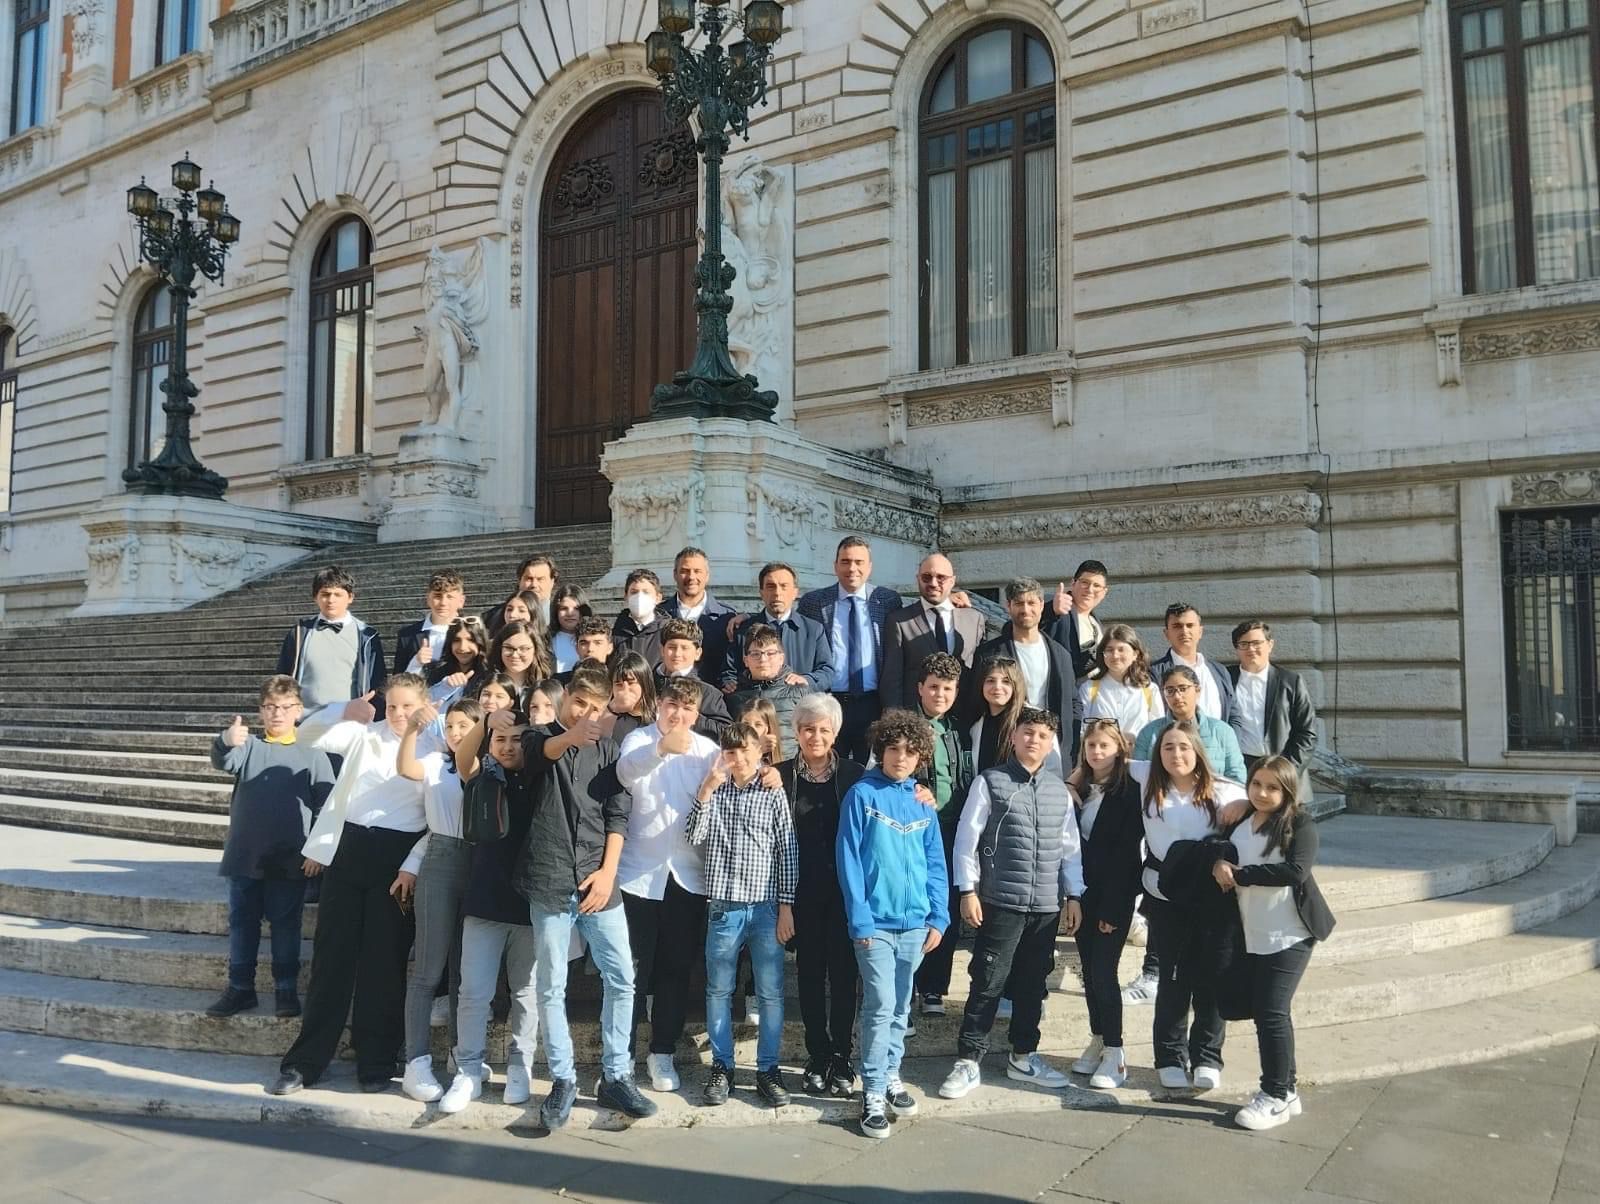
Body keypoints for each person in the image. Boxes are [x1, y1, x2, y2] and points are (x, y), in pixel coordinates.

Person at [267, 674, 430, 1096]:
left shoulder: (438, 741)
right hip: (349, 849)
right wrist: (345, 709)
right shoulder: (364, 734)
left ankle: (376, 1060)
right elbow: (305, 733)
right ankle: (305, 1061)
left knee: (385, 961)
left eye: (407, 706)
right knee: (331, 958)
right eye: (392, 706)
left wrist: (413, 863)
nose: (398, 714)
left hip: (399, 859)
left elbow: (443, 815)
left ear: (424, 704)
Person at [507, 668, 656, 1128]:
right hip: (549, 877)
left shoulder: (610, 752)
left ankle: (615, 1076)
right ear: (565, 699)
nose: (589, 714)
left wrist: (609, 874)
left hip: (597, 881)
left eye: (597, 707)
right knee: (552, 985)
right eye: (581, 704)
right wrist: (571, 734)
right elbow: (536, 757)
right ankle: (563, 1079)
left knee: (623, 977)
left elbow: (618, 816)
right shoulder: (539, 738)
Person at [939, 707, 1083, 1100]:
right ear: (1015, 737)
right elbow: (967, 839)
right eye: (1028, 732)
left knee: (1032, 985)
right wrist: (967, 890)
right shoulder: (992, 782)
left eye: (1042, 734)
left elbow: (1070, 849)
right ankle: (968, 1061)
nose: (1034, 740)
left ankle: (1024, 1056)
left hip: (1046, 908)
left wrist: (1074, 895)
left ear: (1051, 742)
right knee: (988, 983)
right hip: (1000, 902)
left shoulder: (1059, 791)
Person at [835, 709, 949, 1139]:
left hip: (916, 923)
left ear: (920, 756)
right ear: (880, 750)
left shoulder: (922, 801)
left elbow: (935, 863)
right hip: (875, 925)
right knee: (880, 1004)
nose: (900, 757)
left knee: (901, 1005)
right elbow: (848, 859)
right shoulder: (861, 796)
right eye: (893, 749)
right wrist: (859, 918)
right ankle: (873, 1091)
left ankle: (892, 1073)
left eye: (909, 751)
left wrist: (939, 914)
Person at [1215, 755, 1335, 1131]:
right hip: (1253, 933)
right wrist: (1218, 861)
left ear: (1287, 791)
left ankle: (1274, 1095)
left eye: (1272, 787)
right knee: (1270, 1012)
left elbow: (1295, 871)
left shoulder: (1300, 824)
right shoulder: (1240, 820)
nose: (1263, 793)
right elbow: (1220, 849)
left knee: (1270, 1012)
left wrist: (1241, 875)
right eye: (1256, 785)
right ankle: (1289, 1090)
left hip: (1291, 933)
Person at [205, 676, 335, 1019]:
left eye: (285, 707)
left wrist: (318, 851)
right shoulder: (248, 748)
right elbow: (223, 761)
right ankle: (240, 987)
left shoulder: (314, 753)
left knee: (286, 924)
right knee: (242, 923)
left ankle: (285, 989)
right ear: (261, 712)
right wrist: (225, 741)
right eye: (270, 707)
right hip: (245, 855)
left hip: (290, 857)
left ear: (299, 711)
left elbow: (328, 806)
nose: (277, 713)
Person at [687, 722, 799, 1108]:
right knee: (718, 990)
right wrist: (705, 791)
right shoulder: (713, 790)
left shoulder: (772, 792)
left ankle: (768, 1069)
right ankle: (723, 1066)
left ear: (760, 752)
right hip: (723, 908)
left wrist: (786, 907)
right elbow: (693, 836)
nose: (738, 759)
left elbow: (787, 850)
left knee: (770, 993)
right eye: (730, 752)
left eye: (745, 751)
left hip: (766, 907)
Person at [617, 677, 720, 1093]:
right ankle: (620, 1055)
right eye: (672, 705)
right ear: (659, 705)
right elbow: (625, 774)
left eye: (687, 709)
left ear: (696, 714)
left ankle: (662, 1052)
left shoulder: (707, 750)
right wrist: (660, 749)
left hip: (688, 876)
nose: (678, 714)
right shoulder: (638, 740)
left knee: (676, 969)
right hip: (638, 874)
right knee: (631, 971)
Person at [1133, 719, 1247, 1092]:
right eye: (1168, 747)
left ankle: (1207, 1057)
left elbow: (1271, 804)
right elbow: (1105, 759)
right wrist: (1074, 780)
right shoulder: (1147, 781)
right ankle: (1169, 1055)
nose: (1176, 754)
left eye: (1183, 746)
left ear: (1197, 750)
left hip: (1213, 900)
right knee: (1173, 978)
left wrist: (1246, 801)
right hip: (1167, 897)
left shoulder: (1225, 792)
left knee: (1211, 978)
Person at [437, 707, 541, 1114]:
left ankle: (520, 1065)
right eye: (502, 740)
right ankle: (468, 1070)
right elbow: (464, 757)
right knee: (473, 992)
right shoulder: (482, 779)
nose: (509, 746)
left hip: (529, 903)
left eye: (517, 739)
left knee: (526, 993)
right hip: (484, 901)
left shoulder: (541, 778)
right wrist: (485, 723)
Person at [777, 694, 866, 1097]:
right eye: (808, 728)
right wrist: (785, 904)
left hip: (846, 895)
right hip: (801, 894)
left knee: (846, 977)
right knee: (810, 976)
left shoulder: (856, 775)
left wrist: (922, 794)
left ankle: (842, 1057)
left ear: (836, 732)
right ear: (796, 732)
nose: (815, 736)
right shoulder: (778, 776)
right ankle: (817, 1055)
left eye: (824, 729)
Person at [396, 697, 482, 1104]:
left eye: (465, 725)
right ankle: (416, 1061)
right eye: (450, 726)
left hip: (481, 864)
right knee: (428, 966)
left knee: (466, 973)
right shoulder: (433, 762)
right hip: (443, 858)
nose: (456, 733)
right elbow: (405, 767)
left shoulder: (490, 765)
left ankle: (461, 1056)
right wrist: (413, 728)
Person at [1067, 718, 1145, 1090]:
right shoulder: (1082, 785)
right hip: (1083, 896)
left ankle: (1116, 1051)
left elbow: (1127, 856)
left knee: (1103, 972)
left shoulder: (1129, 791)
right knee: (1088, 972)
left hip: (1113, 898)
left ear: (1120, 750)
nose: (1097, 752)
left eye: (1104, 746)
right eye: (1091, 746)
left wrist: (1115, 911)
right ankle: (1098, 1038)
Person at [909, 652, 974, 1019]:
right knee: (915, 905)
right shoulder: (904, 726)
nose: (940, 695)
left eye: (947, 689)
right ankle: (913, 982)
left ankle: (935, 987)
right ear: (920, 689)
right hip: (915, 832)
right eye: (933, 687)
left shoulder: (958, 730)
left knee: (944, 906)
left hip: (952, 829)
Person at [797, 536, 903, 762]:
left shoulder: (886, 600)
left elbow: (911, 620)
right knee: (827, 767)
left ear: (870, 567)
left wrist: (951, 602)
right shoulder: (814, 602)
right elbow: (791, 627)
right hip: (829, 703)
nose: (852, 568)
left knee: (874, 769)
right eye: (845, 561)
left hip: (873, 703)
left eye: (859, 562)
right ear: (835, 566)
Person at [966, 577, 1075, 740]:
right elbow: (974, 703)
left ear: (1041, 605)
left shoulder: (1061, 655)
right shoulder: (988, 653)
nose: (1025, 609)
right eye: (1019, 603)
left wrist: (1070, 750)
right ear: (1008, 606)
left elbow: (1072, 703)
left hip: (1050, 747)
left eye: (1031, 603)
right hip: (1003, 745)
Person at [277, 565, 387, 718]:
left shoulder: (367, 636)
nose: (331, 600)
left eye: (338, 594)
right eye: (325, 594)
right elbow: (283, 678)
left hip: (350, 721)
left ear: (350, 597)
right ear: (315, 597)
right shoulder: (300, 632)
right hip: (304, 721)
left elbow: (377, 684)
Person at [879, 553, 985, 711]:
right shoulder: (900, 621)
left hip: (963, 717)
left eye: (941, 577)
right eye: (926, 577)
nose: (933, 583)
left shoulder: (974, 620)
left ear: (952, 581)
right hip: (916, 719)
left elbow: (980, 672)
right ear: (918, 578)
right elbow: (892, 680)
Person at [1228, 621, 1318, 797]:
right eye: (1244, 644)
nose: (1251, 649)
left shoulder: (1291, 682)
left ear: (1270, 645)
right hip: (1240, 772)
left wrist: (1285, 771)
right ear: (1236, 649)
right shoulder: (1224, 679)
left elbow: (1307, 733)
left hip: (1285, 770)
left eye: (1256, 643)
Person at [723, 562, 834, 692]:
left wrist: (806, 680)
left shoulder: (813, 630)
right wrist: (731, 683)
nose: (777, 593)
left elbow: (827, 672)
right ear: (761, 593)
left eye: (784, 586)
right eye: (771, 586)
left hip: (801, 706)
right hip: (757, 707)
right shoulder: (744, 630)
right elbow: (729, 671)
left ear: (795, 592)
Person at [1132, 666, 1246, 782]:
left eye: (1183, 688)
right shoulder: (1149, 733)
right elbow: (1139, 774)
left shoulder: (1222, 731)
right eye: (1170, 691)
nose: (1177, 696)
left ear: (1197, 690)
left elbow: (1237, 777)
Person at [1150, 603, 1238, 728]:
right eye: (1177, 626)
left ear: (1200, 631)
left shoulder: (1219, 671)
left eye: (1190, 625)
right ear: (1166, 634)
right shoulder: (1154, 674)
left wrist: (1229, 744)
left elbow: (1234, 715)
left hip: (1218, 745)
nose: (1184, 631)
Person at [727, 623, 808, 759]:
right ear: (746, 660)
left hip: (789, 770)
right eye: (756, 654)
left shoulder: (798, 692)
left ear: (781, 658)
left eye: (770, 653)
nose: (763, 659)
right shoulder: (735, 697)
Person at [1077, 623, 1164, 747]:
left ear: (1135, 654)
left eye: (1121, 649)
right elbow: (1082, 731)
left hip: (1139, 759)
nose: (1115, 655)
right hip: (1102, 760)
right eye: (1109, 650)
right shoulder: (1089, 688)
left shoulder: (1149, 689)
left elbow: (1157, 731)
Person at [659, 546, 737, 681]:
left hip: (713, 697)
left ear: (707, 576)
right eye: (685, 571)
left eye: (697, 571)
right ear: (675, 574)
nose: (691, 577)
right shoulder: (659, 614)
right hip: (667, 694)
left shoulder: (727, 617)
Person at [654, 617, 732, 738]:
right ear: (662, 650)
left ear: (698, 653)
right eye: (672, 647)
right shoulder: (647, 683)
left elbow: (725, 732)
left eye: (685, 648)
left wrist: (689, 715)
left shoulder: (708, 693)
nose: (677, 654)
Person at [1048, 559, 1110, 679]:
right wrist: (1050, 611)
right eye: (1085, 582)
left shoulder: (1096, 624)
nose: (1090, 589)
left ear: (1104, 592)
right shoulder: (1057, 607)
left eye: (1096, 585)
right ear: (1073, 583)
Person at [394, 570, 466, 673]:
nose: (443, 603)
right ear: (428, 599)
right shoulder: (407, 635)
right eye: (437, 596)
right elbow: (397, 680)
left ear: (461, 601)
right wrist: (415, 663)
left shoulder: (472, 632)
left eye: (450, 597)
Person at [423, 615, 490, 707]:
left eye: (470, 640)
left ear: (480, 642)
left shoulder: (490, 676)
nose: (462, 647)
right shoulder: (436, 673)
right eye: (456, 640)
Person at [482, 555, 558, 630]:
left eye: (540, 579)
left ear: (552, 582)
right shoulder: (491, 617)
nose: (534, 585)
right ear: (519, 581)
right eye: (529, 579)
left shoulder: (562, 616)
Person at [612, 568, 667, 670]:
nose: (639, 597)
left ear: (658, 598)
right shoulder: (614, 634)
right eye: (634, 592)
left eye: (646, 592)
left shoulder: (667, 633)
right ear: (626, 597)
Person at [550, 584, 592, 672]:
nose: (570, 613)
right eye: (564, 608)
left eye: (576, 608)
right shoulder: (546, 640)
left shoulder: (594, 639)